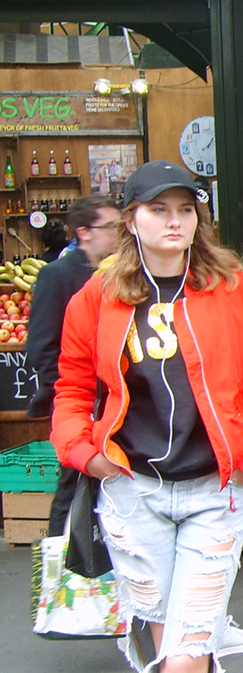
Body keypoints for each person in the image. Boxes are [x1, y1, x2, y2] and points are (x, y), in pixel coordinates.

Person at [51, 160, 243, 673]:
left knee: (185, 661)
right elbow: (72, 388)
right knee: (169, 658)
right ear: (132, 218)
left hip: (214, 494)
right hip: (134, 496)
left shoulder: (229, 285)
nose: (175, 220)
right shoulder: (97, 297)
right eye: (159, 209)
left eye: (186, 209)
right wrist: (85, 452)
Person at [28, 195, 121, 533]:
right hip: (80, 407)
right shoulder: (57, 276)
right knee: (73, 488)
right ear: (83, 232)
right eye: (109, 227)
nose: (117, 234)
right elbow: (41, 346)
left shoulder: (121, 274)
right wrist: (75, 397)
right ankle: (58, 571)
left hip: (114, 408)